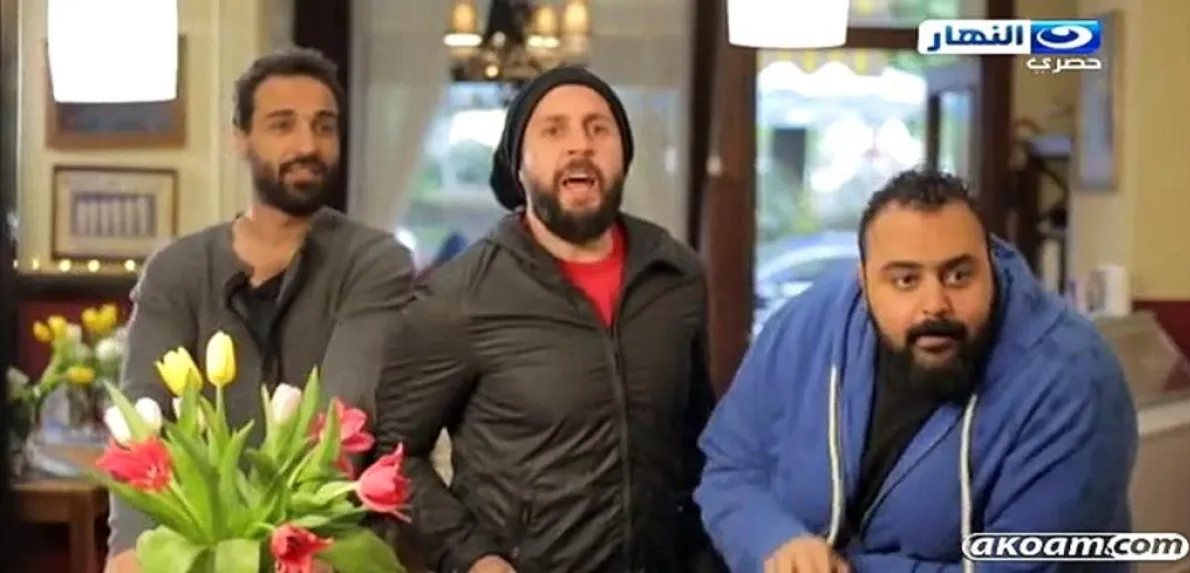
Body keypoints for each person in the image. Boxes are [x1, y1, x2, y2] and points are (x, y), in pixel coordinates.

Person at [695, 170, 1137, 573]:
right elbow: (731, 467)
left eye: (958, 275)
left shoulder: (1072, 377)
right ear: (864, 283)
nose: (934, 305)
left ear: (990, 264)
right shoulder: (809, 325)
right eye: (905, 280)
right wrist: (776, 542)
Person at [376, 66, 724, 573]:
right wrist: (473, 556)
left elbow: (700, 435)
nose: (580, 145)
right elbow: (393, 455)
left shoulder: (676, 275)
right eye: (554, 130)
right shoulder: (461, 295)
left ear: (623, 156)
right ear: (518, 164)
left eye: (598, 128)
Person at [104, 48, 414, 572]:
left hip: (326, 547)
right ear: (240, 137)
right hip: (193, 550)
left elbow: (342, 422)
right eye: (282, 125)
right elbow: (142, 421)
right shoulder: (176, 271)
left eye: (324, 126)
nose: (307, 145)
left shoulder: (375, 262)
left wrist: (290, 550)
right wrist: (129, 550)